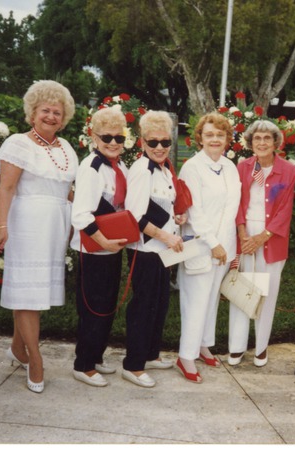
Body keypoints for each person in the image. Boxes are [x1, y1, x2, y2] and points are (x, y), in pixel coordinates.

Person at [0, 80, 78, 393]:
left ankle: (18, 348)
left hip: (55, 228)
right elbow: (7, 187)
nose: (52, 116)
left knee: (33, 293)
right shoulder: (18, 143)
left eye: (57, 112)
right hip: (27, 226)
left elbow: (66, 190)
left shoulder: (66, 148)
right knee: (29, 295)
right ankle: (36, 359)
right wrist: (2, 227)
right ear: (32, 113)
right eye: (46, 110)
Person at [176, 112, 241, 383]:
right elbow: (195, 210)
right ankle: (185, 356)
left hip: (223, 246)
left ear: (227, 139)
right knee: (195, 300)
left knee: (212, 298)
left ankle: (203, 344)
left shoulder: (229, 166)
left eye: (220, 135)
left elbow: (232, 208)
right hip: (201, 245)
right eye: (209, 134)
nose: (215, 139)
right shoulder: (192, 167)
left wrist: (226, 246)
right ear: (200, 137)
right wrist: (213, 244)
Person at [122, 110, 185, 388]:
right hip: (145, 251)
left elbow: (162, 205)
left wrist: (177, 219)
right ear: (142, 143)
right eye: (153, 142)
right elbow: (134, 216)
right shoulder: (141, 169)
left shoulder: (164, 168)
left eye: (165, 142)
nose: (160, 148)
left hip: (162, 250)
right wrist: (167, 237)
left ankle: (150, 354)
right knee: (143, 307)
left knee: (159, 305)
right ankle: (133, 365)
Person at [227, 120, 295, 367]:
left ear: (276, 142)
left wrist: (261, 238)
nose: (262, 143)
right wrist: (244, 234)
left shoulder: (288, 170)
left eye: (267, 138)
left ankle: (261, 347)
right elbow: (235, 203)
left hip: (271, 237)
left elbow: (285, 210)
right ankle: (236, 346)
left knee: (266, 293)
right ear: (250, 142)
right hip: (244, 234)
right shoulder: (242, 167)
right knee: (242, 290)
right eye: (257, 138)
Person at [69, 107, 130, 387]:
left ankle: (95, 355)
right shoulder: (91, 167)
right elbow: (81, 214)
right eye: (107, 136)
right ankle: (82, 364)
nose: (114, 142)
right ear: (94, 137)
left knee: (107, 305)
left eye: (119, 136)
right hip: (94, 248)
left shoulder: (120, 166)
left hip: (112, 247)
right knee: (92, 307)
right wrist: (104, 242)